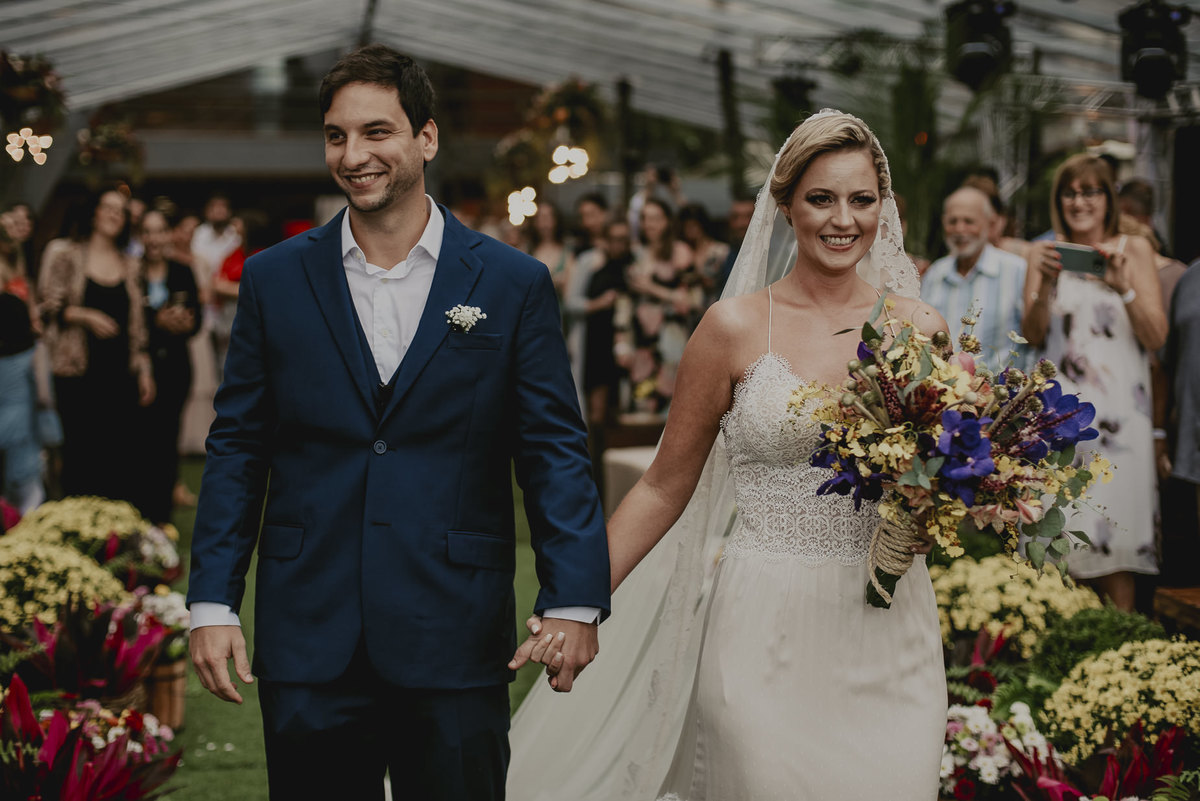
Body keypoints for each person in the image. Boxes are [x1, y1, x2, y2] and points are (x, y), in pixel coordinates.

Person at [185, 44, 610, 801]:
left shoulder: (512, 285)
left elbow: (553, 449)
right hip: (309, 630)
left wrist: (573, 597)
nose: (354, 155)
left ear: (427, 137)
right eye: (336, 136)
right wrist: (213, 601)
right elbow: (239, 446)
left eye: (376, 132)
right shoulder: (273, 279)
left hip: (453, 627)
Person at [508, 110, 947, 800]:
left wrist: (990, 492)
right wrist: (576, 600)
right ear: (786, 203)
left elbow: (950, 478)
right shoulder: (734, 327)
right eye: (821, 198)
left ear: (883, 208)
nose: (843, 219)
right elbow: (660, 486)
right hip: (764, 625)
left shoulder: (919, 329)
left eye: (862, 199)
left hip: (889, 628)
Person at [1022, 153, 1167, 611]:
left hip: (1121, 418)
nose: (1079, 201)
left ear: (1109, 199)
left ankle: (1114, 649)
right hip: (1059, 415)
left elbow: (1156, 336)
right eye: (1070, 192)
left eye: (1091, 191)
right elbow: (1032, 333)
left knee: (1116, 538)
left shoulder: (1135, 249)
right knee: (1058, 531)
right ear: (1058, 200)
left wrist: (1124, 287)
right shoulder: (1042, 251)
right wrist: (1044, 283)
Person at [37, 188, 154, 504]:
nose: (116, 214)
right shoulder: (66, 254)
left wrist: (145, 370)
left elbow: (139, 328)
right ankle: (80, 532)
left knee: (119, 455)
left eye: (122, 210)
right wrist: (84, 315)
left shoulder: (131, 265)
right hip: (76, 372)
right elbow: (47, 306)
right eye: (109, 207)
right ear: (94, 212)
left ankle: (116, 536)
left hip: (120, 375)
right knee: (80, 453)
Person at [136, 209, 200, 524]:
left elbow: (196, 319)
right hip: (140, 371)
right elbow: (129, 321)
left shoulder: (181, 271)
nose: (154, 239)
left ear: (168, 234)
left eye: (159, 231)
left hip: (175, 368)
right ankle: (139, 512)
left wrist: (182, 323)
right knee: (141, 441)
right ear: (140, 237)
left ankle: (162, 517)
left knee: (167, 439)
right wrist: (157, 321)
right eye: (147, 232)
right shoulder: (131, 271)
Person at [921, 186, 1029, 373]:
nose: (960, 229)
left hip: (998, 397)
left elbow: (1033, 341)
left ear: (989, 225)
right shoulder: (935, 273)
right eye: (952, 221)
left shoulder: (1016, 271)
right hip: (942, 395)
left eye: (969, 221)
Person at [678, 203, 729, 309]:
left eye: (693, 225)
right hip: (687, 309)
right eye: (686, 226)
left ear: (702, 225)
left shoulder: (720, 250)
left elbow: (716, 281)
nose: (690, 230)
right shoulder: (682, 250)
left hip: (713, 305)